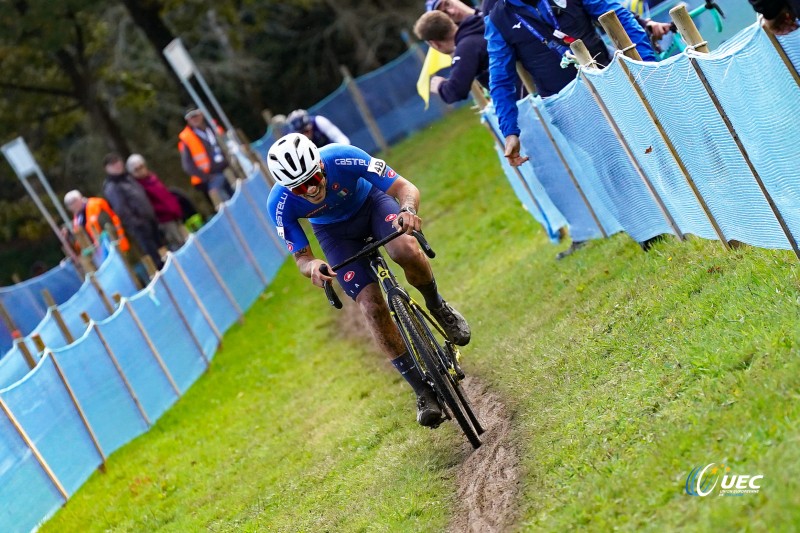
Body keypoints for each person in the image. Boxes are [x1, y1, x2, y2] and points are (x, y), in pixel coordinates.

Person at [266, 133, 470, 427]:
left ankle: (438, 306)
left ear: (322, 165)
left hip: (372, 206)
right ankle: (421, 390)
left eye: (315, 178)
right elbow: (302, 258)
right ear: (288, 188)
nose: (311, 190)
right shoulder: (280, 204)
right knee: (371, 306)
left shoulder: (343, 156)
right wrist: (312, 266)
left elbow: (403, 187)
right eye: (300, 188)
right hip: (335, 235)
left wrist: (408, 210)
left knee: (404, 248)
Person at [485, 0, 657, 168]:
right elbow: (500, 79)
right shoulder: (498, 19)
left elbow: (620, 18)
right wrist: (510, 132)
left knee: (649, 144)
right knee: (614, 163)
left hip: (610, 84)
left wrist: (646, 66)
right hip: (568, 108)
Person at [414, 3, 495, 103]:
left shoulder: (466, 48)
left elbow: (455, 91)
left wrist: (440, 86)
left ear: (434, 44)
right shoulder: (479, 21)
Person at [102, 153, 164, 268]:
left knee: (162, 249)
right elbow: (121, 209)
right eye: (113, 164)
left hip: (151, 220)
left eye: (118, 162)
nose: (117, 166)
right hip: (140, 227)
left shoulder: (128, 178)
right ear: (107, 168)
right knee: (154, 256)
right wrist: (138, 222)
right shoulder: (112, 187)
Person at [126, 154, 188, 252]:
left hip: (174, 215)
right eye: (136, 170)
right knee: (178, 246)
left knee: (187, 240)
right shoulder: (138, 188)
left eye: (141, 167)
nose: (140, 171)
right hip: (164, 220)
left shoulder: (153, 178)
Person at [178, 106, 234, 206]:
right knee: (225, 202)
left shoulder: (213, 127)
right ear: (188, 120)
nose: (194, 119)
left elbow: (227, 142)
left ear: (201, 114)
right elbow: (187, 165)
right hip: (212, 177)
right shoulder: (187, 138)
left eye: (196, 115)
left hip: (228, 169)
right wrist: (206, 177)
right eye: (191, 117)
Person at [63, 189, 130, 254]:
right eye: (69, 206)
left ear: (78, 199)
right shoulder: (77, 218)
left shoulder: (97, 204)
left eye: (72, 204)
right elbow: (80, 239)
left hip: (115, 243)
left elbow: (113, 220)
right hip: (100, 252)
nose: (71, 208)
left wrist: (121, 237)